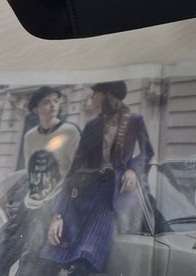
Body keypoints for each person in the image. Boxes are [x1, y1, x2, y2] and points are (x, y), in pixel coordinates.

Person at [39, 81, 155, 276]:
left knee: (87, 258)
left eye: (95, 94)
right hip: (83, 195)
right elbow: (76, 168)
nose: (91, 98)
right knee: (51, 254)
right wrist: (59, 214)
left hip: (110, 197)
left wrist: (133, 170)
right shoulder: (92, 125)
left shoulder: (134, 120)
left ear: (108, 95)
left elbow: (147, 152)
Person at [0, 87, 81, 276]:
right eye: (46, 102)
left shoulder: (70, 132)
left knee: (31, 268)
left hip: (54, 208)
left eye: (56, 100)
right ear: (36, 109)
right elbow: (32, 173)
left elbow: (76, 176)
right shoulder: (30, 136)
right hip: (28, 207)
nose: (53, 105)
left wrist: (60, 216)